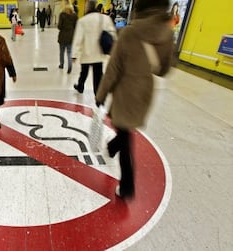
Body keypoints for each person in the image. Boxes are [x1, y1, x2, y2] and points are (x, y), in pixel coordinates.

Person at [95, 0, 174, 199]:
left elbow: (113, 69)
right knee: (124, 129)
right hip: (145, 91)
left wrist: (101, 94)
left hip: (125, 90)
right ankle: (112, 147)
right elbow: (164, 70)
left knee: (125, 136)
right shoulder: (167, 33)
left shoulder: (129, 33)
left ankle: (128, 185)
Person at [71, 2, 117, 95]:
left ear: (87, 8)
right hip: (99, 53)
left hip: (86, 53)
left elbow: (78, 38)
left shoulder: (83, 21)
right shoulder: (105, 18)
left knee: (84, 72)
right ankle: (98, 95)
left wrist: (74, 54)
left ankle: (80, 86)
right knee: (98, 75)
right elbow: (113, 34)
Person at [57, 4, 78, 74]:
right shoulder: (75, 16)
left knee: (61, 51)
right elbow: (76, 26)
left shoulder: (62, 15)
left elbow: (59, 26)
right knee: (69, 52)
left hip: (62, 36)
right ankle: (70, 65)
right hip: (70, 36)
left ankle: (61, 64)